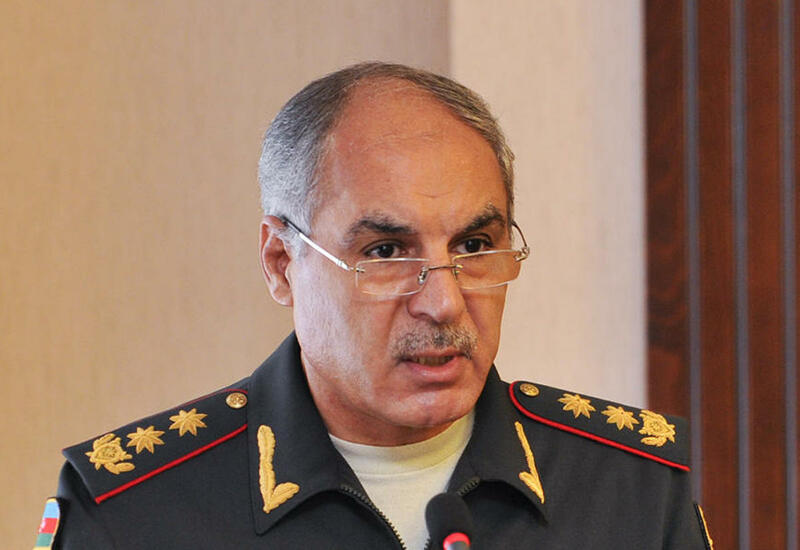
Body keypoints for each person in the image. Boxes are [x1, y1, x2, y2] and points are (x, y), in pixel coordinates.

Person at [35, 62, 714, 549]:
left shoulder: (634, 491)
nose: (444, 302)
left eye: (475, 245)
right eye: (387, 252)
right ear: (281, 263)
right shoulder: (133, 513)